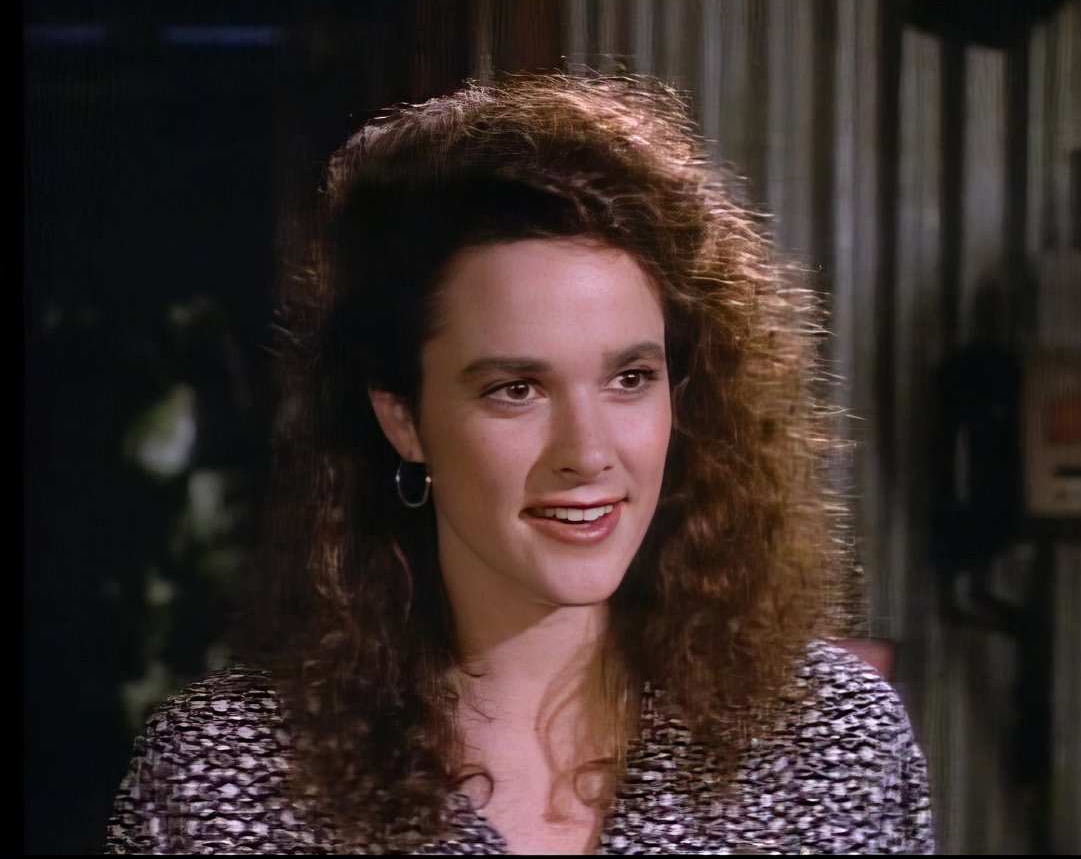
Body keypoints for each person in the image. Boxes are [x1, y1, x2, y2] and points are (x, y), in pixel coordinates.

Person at [105, 73, 933, 855]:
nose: (588, 453)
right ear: (403, 419)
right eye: (516, 390)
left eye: (629, 379)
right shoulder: (227, 779)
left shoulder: (831, 742)